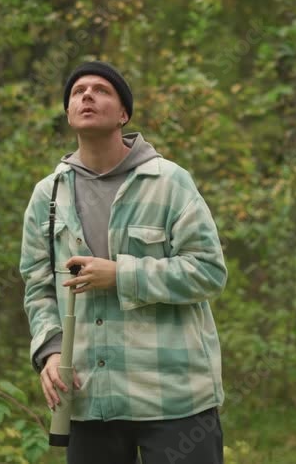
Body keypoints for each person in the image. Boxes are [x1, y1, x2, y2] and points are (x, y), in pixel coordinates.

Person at [19, 60, 228, 463]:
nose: (87, 95)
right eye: (78, 91)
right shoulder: (48, 195)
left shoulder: (169, 182)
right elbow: (38, 287)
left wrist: (121, 275)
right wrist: (52, 351)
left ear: (123, 114)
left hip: (175, 398)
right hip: (89, 396)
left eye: (101, 90)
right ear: (68, 112)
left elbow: (209, 272)